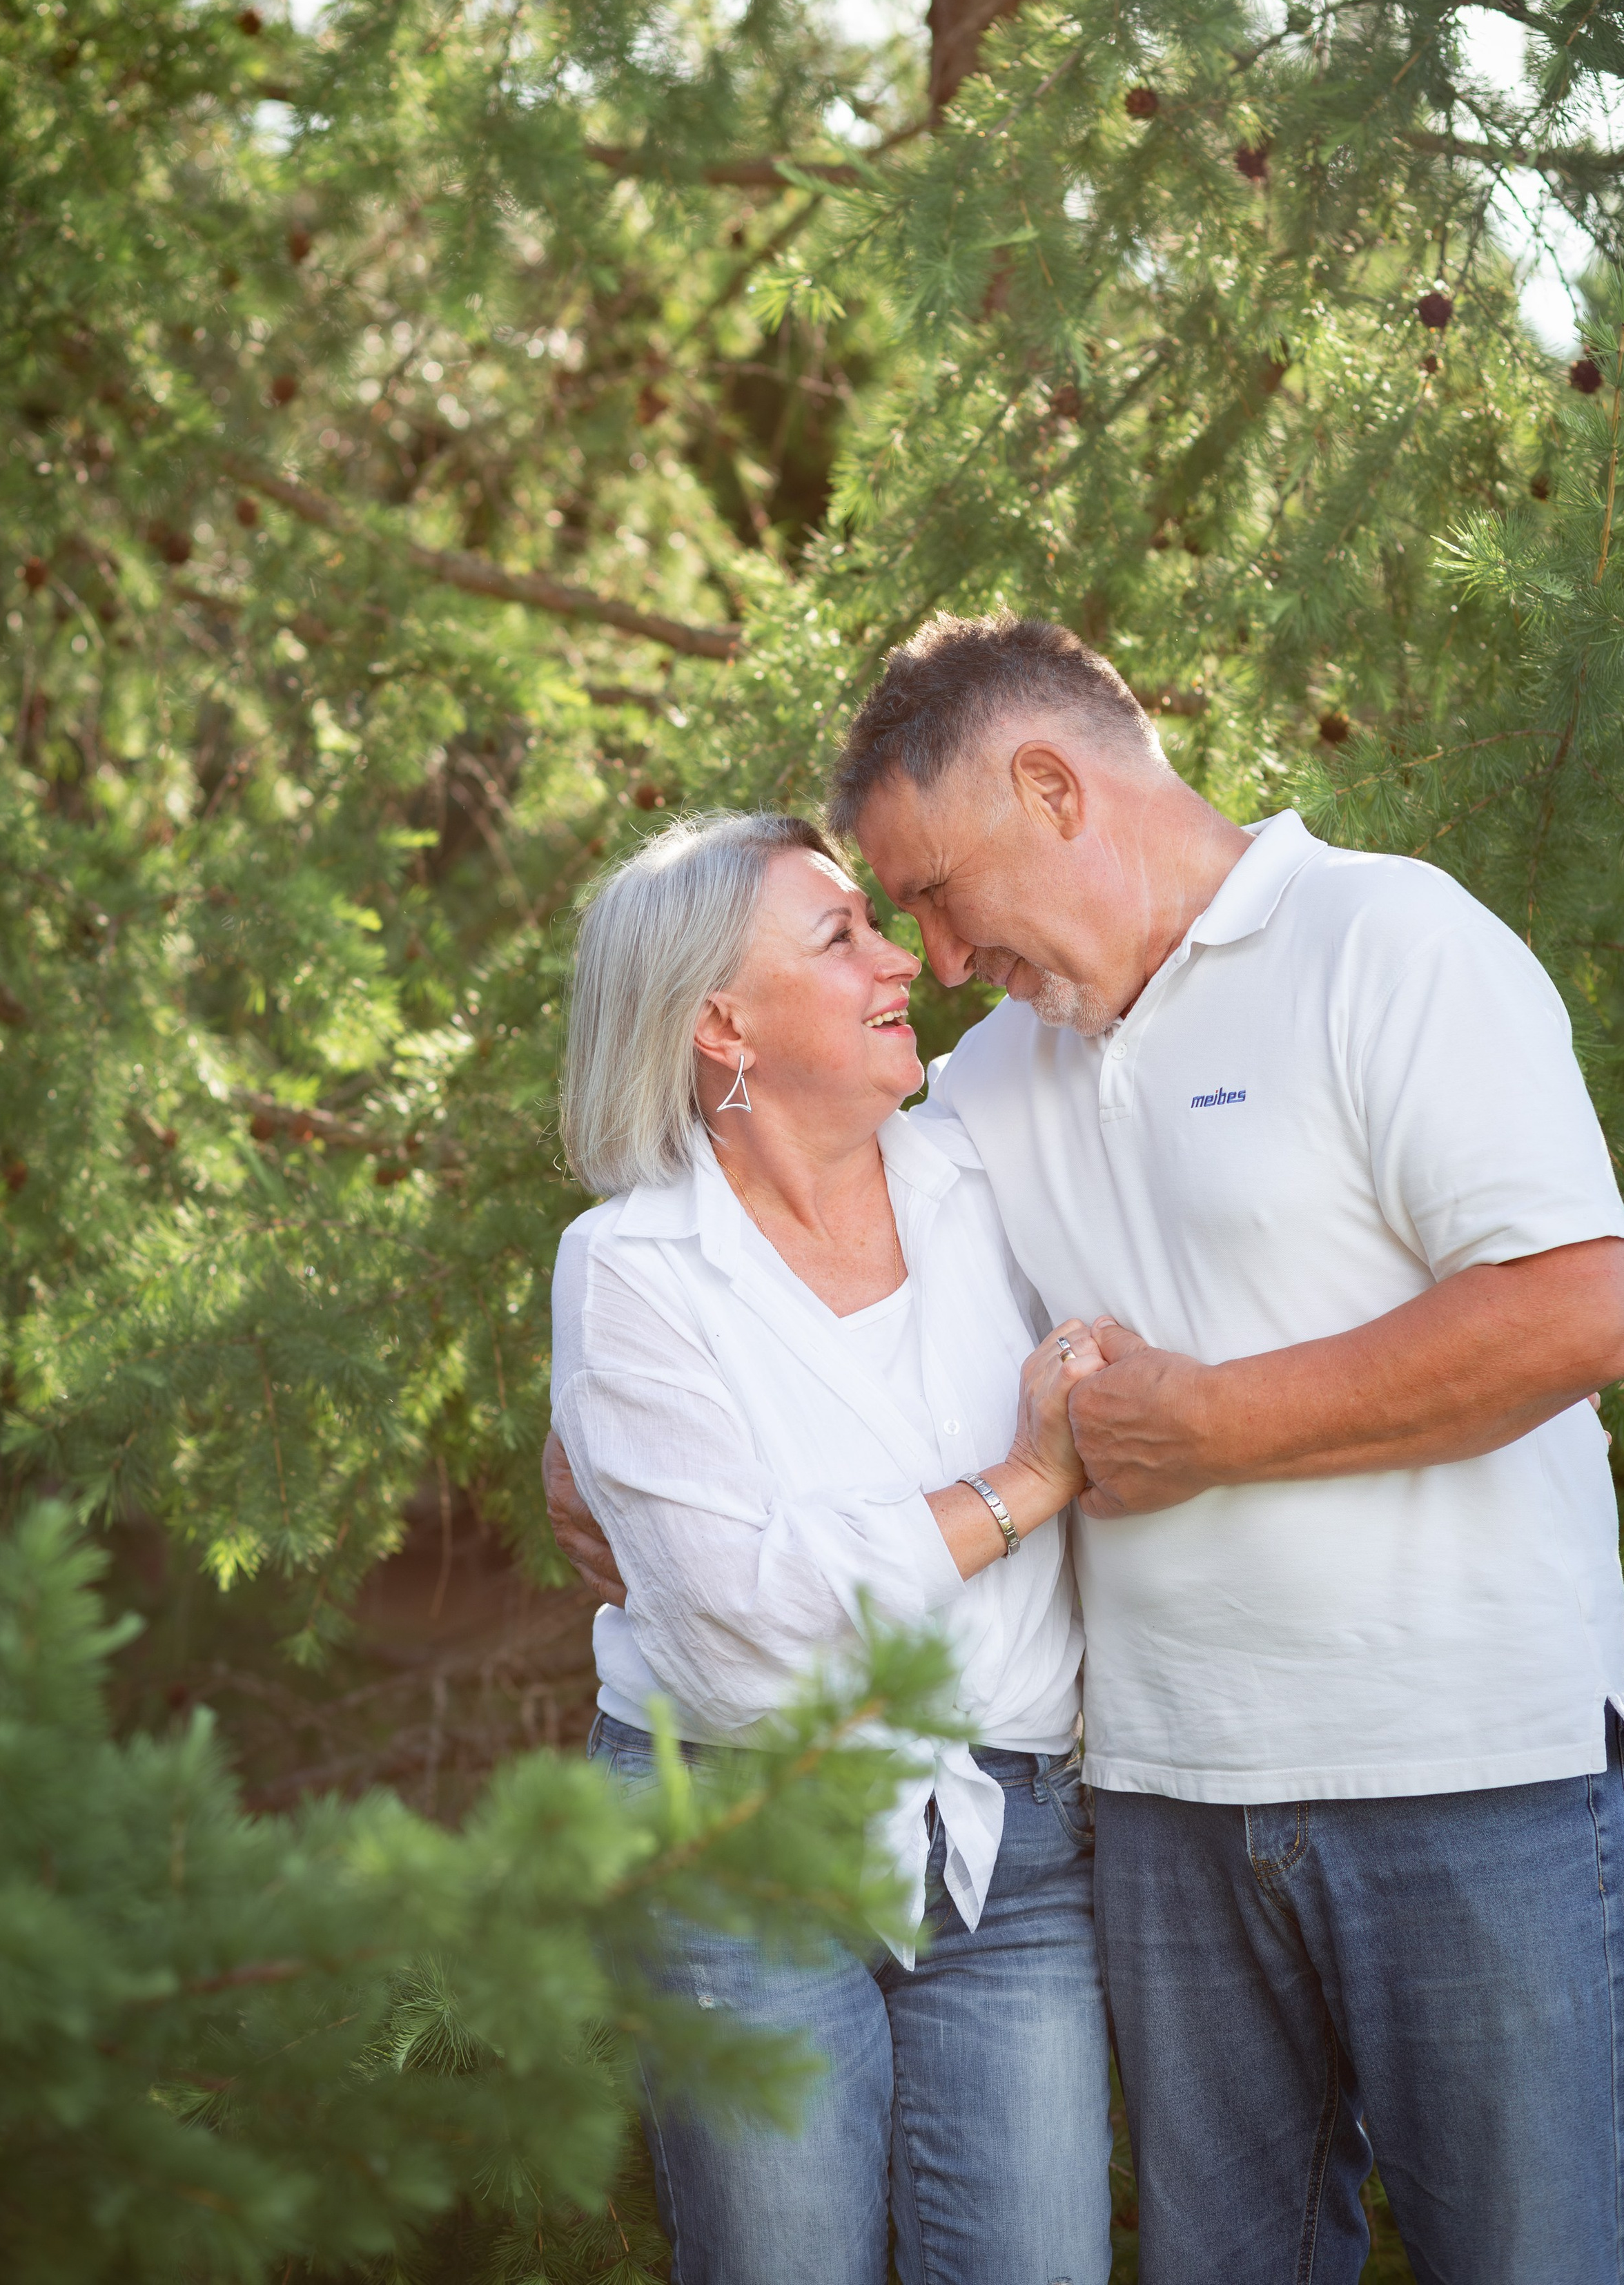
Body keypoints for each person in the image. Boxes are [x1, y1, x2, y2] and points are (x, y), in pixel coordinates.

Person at [822, 611, 1624, 2285]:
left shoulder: (1388, 940)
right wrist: (636, 1416)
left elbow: (1579, 1315)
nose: (930, 958)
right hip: (1161, 1802)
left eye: (933, 890)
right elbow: (827, 1294)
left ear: (1053, 787)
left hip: (1467, 1772)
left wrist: (1208, 1423)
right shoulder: (990, 1083)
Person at [547, 808, 1115, 2285]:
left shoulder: (981, 1178)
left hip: (1013, 1845)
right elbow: (751, 1624)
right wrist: (1021, 1487)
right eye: (840, 936)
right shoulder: (631, 1269)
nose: (898, 961)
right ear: (720, 1024)